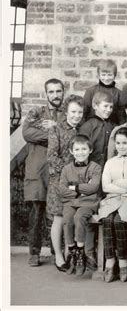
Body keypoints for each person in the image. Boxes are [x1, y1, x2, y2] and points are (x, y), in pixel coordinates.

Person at [22, 78, 65, 267]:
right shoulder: (37, 113)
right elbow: (27, 133)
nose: (55, 95)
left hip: (57, 170)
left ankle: (57, 251)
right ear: (46, 94)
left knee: (57, 212)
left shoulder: (66, 114)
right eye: (52, 92)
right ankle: (34, 252)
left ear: (63, 92)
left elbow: (70, 134)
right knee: (36, 211)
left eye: (58, 91)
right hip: (38, 168)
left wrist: (55, 128)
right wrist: (53, 134)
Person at [98, 127, 127, 283]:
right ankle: (110, 261)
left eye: (125, 143)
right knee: (107, 219)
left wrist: (116, 182)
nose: (121, 146)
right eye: (118, 143)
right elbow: (105, 186)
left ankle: (123, 262)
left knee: (119, 220)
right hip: (112, 199)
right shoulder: (110, 163)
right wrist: (125, 187)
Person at [47, 95, 84, 272]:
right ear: (66, 112)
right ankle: (59, 257)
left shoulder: (82, 130)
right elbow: (52, 156)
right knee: (59, 217)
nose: (76, 115)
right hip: (60, 181)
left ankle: (71, 252)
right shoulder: (56, 130)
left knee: (71, 217)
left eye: (79, 112)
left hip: (78, 182)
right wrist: (68, 173)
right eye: (73, 112)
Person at [58, 135, 102, 276]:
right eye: (77, 149)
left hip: (88, 203)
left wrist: (73, 187)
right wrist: (81, 191)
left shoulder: (95, 167)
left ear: (90, 150)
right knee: (67, 219)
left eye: (84, 149)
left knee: (79, 217)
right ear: (71, 151)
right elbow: (62, 189)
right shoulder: (66, 169)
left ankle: (81, 251)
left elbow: (94, 187)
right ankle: (73, 251)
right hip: (71, 202)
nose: (80, 152)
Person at [79, 91, 116, 167]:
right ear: (95, 106)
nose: (109, 110)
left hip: (110, 168)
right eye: (105, 106)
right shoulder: (88, 126)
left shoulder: (114, 126)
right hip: (91, 167)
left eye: (111, 107)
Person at [82, 59, 121, 124]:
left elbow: (121, 116)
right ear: (98, 75)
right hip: (93, 127)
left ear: (114, 76)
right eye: (103, 75)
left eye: (109, 75)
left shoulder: (119, 94)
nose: (106, 78)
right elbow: (84, 112)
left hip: (112, 127)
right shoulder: (90, 91)